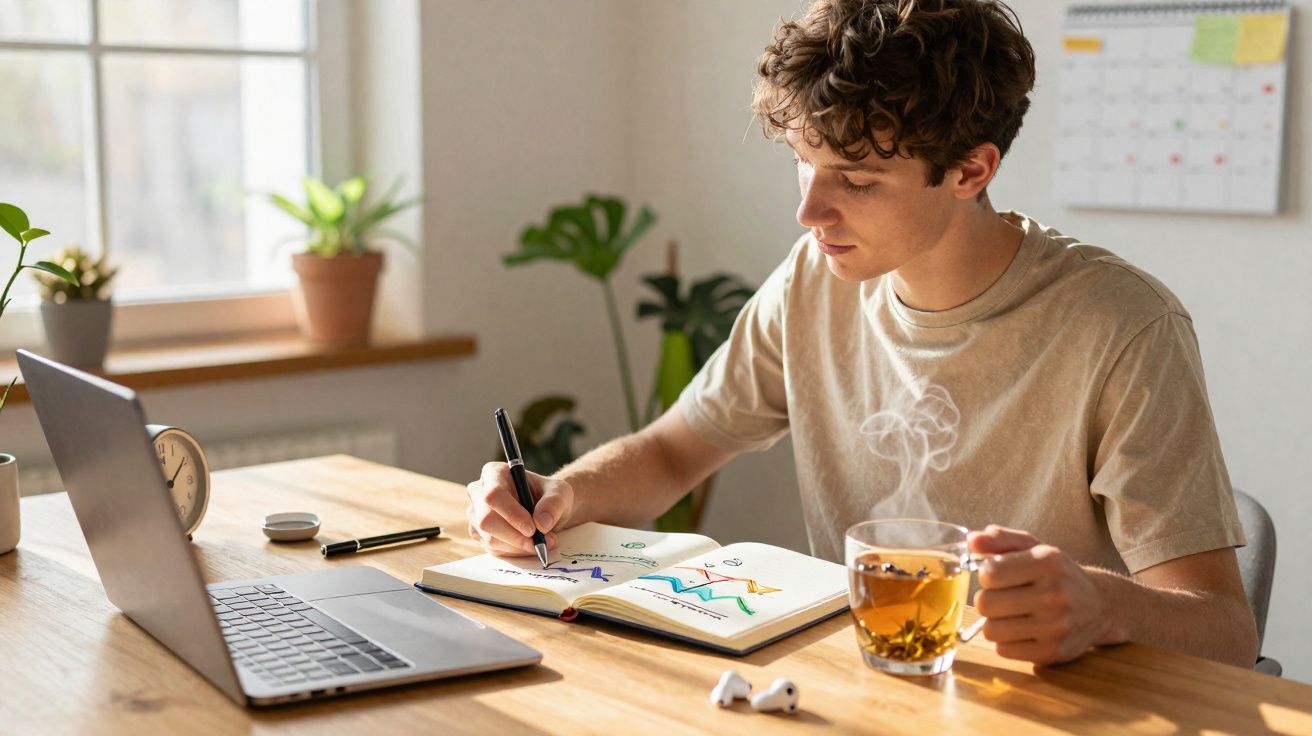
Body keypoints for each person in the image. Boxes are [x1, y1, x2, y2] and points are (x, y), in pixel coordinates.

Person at [465, 0, 1259, 668]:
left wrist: (1103, 605)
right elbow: (676, 452)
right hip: (866, 690)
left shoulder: (1122, 327)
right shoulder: (814, 279)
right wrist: (563, 493)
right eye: (804, 167)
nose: (809, 213)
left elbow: (1225, 629)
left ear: (970, 172)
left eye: (857, 180)